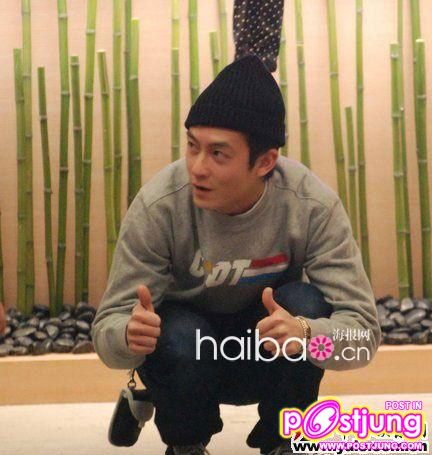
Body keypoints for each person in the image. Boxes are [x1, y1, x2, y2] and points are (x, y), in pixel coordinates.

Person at [92, 55, 381, 455]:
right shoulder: (159, 206)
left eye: (218, 154)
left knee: (305, 305)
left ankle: (283, 440)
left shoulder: (311, 205)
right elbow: (107, 327)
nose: (197, 168)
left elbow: (363, 336)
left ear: (264, 162)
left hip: (265, 350)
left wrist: (307, 334)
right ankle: (185, 444)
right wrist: (127, 336)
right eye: (192, 146)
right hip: (186, 354)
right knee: (176, 333)